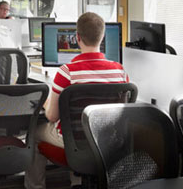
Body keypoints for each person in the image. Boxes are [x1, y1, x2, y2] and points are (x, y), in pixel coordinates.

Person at [25, 12, 128, 189]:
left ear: (77, 38)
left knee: (33, 132)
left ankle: (35, 187)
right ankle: (77, 183)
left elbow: (51, 116)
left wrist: (46, 103)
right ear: (102, 37)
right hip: (106, 140)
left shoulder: (67, 72)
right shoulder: (119, 71)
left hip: (74, 141)